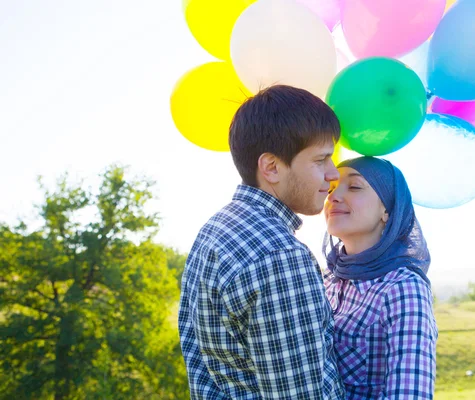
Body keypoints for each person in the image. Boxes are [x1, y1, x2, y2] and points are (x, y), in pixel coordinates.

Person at [178, 85, 346, 399]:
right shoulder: (280, 256)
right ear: (271, 167)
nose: (333, 173)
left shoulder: (213, 231)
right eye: (320, 160)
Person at [323, 156, 438, 399]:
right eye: (331, 187)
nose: (333, 197)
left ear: (387, 209)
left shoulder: (403, 287)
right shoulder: (327, 280)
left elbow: (410, 395)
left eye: (354, 186)